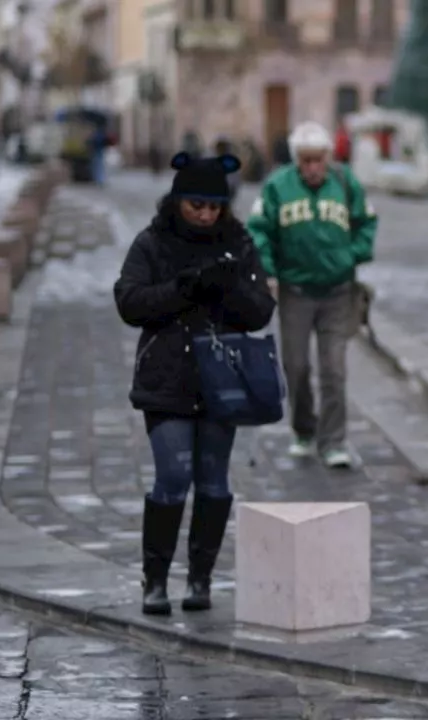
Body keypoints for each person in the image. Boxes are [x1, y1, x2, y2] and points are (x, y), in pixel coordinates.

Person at [114, 152, 277, 616]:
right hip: (166, 377)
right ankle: (156, 581)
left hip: (221, 379)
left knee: (213, 481)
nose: (206, 215)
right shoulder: (153, 243)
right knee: (172, 475)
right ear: (179, 201)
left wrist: (229, 288)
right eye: (197, 206)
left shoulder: (238, 242)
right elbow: (129, 301)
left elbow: (262, 309)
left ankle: (201, 579)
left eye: (214, 207)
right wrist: (182, 289)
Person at [247, 121, 378, 469]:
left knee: (334, 369)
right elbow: (259, 231)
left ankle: (333, 440)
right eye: (305, 161)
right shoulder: (277, 187)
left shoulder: (345, 183)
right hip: (296, 292)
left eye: (318, 160)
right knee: (297, 366)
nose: (312, 168)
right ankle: (304, 429)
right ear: (296, 160)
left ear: (327, 158)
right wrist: (269, 271)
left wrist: (353, 255)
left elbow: (366, 222)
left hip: (338, 291)